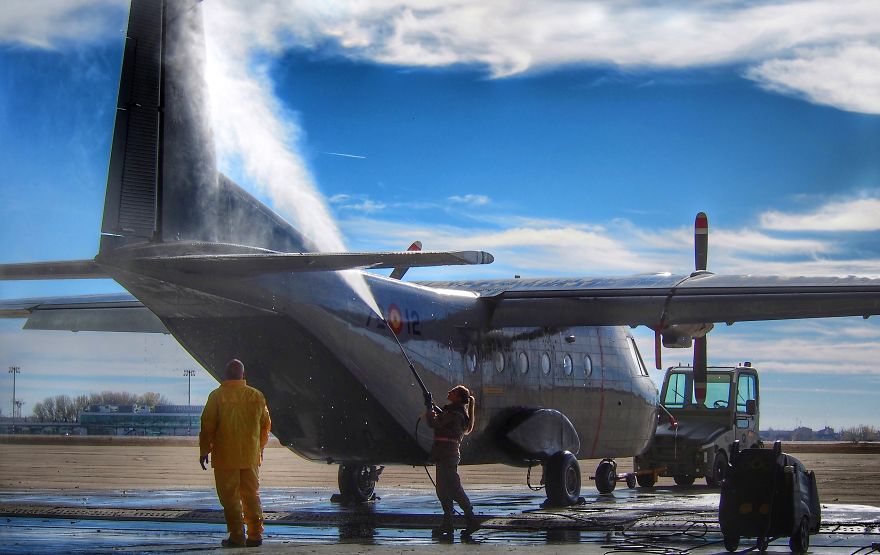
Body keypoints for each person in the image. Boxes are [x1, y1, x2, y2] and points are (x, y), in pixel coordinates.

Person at [199, 359, 272, 548]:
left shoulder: (216, 396)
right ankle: (256, 535)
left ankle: (237, 536)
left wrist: (205, 450)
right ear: (243, 375)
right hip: (250, 457)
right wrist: (259, 448)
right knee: (251, 496)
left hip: (225, 458)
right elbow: (266, 425)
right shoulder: (256, 396)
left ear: (225, 375)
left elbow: (207, 426)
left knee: (230, 498)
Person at [426, 384, 479, 537]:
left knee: (454, 489)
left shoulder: (456, 413)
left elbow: (434, 423)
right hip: (445, 454)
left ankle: (471, 520)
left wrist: (429, 408)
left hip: (447, 454)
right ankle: (448, 523)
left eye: (453, 391)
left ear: (458, 397)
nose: (449, 392)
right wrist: (432, 407)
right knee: (443, 490)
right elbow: (441, 419)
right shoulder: (455, 412)